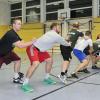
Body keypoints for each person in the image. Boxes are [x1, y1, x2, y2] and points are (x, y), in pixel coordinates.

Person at [21, 23, 71, 92]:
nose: (60, 28)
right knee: (36, 63)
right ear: (54, 27)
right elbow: (64, 42)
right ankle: (25, 84)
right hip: (33, 48)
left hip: (40, 50)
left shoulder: (52, 34)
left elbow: (61, 40)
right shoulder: (54, 34)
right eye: (58, 27)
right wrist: (70, 44)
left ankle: (47, 78)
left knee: (50, 60)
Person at [0, 18, 33, 84]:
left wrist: (32, 43)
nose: (20, 25)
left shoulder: (15, 34)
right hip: (1, 54)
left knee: (17, 60)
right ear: (13, 25)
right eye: (18, 24)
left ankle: (16, 78)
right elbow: (21, 46)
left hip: (8, 52)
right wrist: (32, 42)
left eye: (20, 24)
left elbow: (23, 42)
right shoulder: (11, 34)